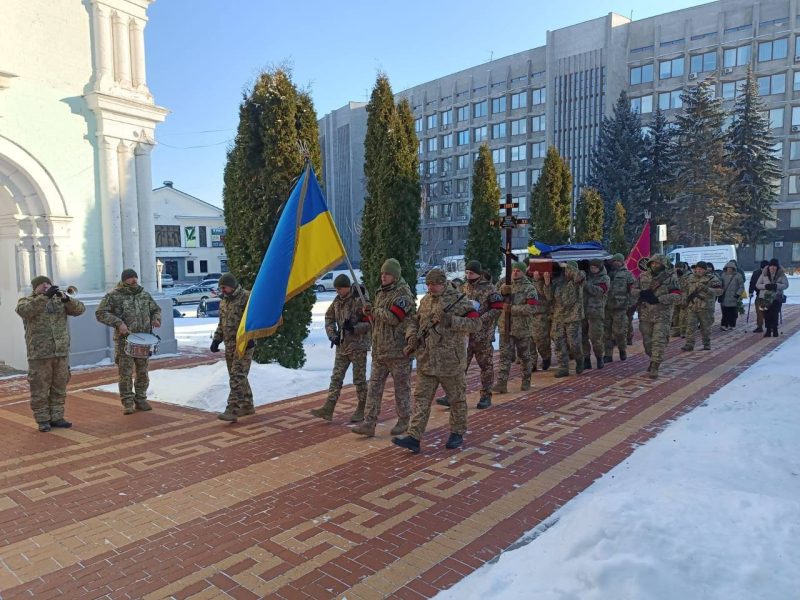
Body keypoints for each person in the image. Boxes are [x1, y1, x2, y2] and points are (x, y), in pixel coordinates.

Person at [392, 268, 482, 454]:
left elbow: (476, 324)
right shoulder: (426, 300)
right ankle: (414, 436)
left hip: (450, 362)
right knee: (421, 399)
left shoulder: (459, 300)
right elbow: (415, 322)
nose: (430, 287)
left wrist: (451, 320)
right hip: (427, 360)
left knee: (456, 399)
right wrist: (411, 336)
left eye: (434, 284)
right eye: (428, 284)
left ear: (443, 283)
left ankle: (457, 432)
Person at [352, 258, 415, 437]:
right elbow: (379, 319)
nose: (383, 277)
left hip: (398, 352)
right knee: (374, 388)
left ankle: (404, 420)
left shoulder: (403, 293)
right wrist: (369, 313)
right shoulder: (381, 292)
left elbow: (394, 318)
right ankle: (369, 423)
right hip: (380, 351)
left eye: (387, 274)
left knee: (401, 389)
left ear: (395, 275)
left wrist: (374, 310)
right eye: (382, 274)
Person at [15, 276, 86, 431]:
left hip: (60, 352)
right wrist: (45, 297)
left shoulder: (59, 300)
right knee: (39, 389)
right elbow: (25, 312)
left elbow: (80, 310)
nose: (46, 286)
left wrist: (66, 299)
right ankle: (43, 420)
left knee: (59, 388)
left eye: (48, 283)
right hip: (40, 354)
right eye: (42, 284)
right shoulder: (26, 301)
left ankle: (57, 417)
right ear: (35, 288)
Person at [437, 260, 502, 410]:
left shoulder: (490, 289)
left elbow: (497, 308)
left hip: (482, 335)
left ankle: (485, 396)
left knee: (486, 366)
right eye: (466, 272)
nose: (468, 275)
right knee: (459, 366)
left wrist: (480, 319)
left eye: (471, 273)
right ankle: (453, 395)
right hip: (465, 336)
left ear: (478, 273)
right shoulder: (463, 288)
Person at [96, 269, 161, 414]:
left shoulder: (144, 294)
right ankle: (127, 402)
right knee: (125, 373)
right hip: (124, 341)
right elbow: (100, 313)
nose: (134, 280)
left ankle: (141, 399)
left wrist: (156, 319)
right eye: (130, 278)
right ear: (124, 280)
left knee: (143, 372)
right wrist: (118, 323)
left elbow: (156, 309)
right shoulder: (114, 295)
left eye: (135, 277)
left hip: (144, 340)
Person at [310, 274, 371, 422]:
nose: (337, 291)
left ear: (347, 287)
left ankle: (362, 407)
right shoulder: (337, 301)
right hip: (342, 346)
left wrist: (354, 328)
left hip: (358, 346)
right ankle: (328, 408)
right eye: (336, 289)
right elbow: (329, 317)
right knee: (336, 378)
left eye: (340, 288)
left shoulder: (359, 300)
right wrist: (332, 335)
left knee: (359, 379)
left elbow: (370, 322)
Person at [210, 273, 255, 422]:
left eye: (224, 287)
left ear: (232, 285)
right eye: (220, 288)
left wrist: (250, 337)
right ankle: (247, 406)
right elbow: (221, 323)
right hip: (229, 346)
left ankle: (232, 409)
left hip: (244, 345)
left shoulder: (246, 297)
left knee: (237, 377)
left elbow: (254, 319)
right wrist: (217, 339)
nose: (222, 290)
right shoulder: (224, 301)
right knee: (237, 376)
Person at [494, 262, 538, 393]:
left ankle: (526, 380)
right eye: (514, 270)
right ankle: (501, 383)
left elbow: (532, 308)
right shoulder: (505, 284)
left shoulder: (529, 288)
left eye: (518, 270)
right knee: (504, 356)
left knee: (524, 356)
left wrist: (512, 309)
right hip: (506, 328)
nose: (515, 272)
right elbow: (494, 299)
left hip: (522, 328)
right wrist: (501, 292)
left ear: (523, 272)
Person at [636, 255, 681, 379]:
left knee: (658, 341)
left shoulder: (670, 277)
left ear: (663, 265)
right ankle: (652, 358)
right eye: (653, 263)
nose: (655, 265)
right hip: (646, 314)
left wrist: (659, 299)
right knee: (647, 343)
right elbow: (633, 289)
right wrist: (641, 293)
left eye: (657, 263)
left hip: (663, 314)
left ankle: (655, 365)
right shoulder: (643, 276)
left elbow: (677, 295)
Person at [548, 261, 585, 378]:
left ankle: (579, 359)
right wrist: (547, 282)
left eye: (569, 270)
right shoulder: (558, 281)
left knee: (574, 344)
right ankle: (563, 367)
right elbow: (549, 296)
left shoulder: (578, 281)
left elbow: (579, 276)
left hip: (573, 317)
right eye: (565, 270)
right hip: (558, 317)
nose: (566, 272)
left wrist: (567, 265)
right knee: (558, 343)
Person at [681, 262, 723, 351]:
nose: (699, 271)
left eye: (701, 269)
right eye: (697, 269)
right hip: (692, 306)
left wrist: (707, 289)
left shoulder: (712, 278)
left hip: (706, 307)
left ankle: (706, 344)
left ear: (705, 270)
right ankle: (689, 344)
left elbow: (719, 291)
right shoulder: (690, 278)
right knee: (690, 326)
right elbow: (685, 290)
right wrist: (684, 300)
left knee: (705, 327)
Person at [603, 254, 635, 362]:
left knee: (619, 332)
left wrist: (630, 305)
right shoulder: (607, 273)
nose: (615, 263)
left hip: (620, 308)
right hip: (607, 307)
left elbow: (633, 292)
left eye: (617, 261)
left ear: (622, 262)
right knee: (606, 333)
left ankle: (622, 349)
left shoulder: (627, 275)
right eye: (614, 261)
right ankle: (608, 354)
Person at [581, 259, 610, 369]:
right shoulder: (587, 277)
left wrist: (585, 284)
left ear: (600, 268)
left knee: (595, 337)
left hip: (596, 312)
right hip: (584, 311)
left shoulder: (605, 278)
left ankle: (599, 357)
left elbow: (598, 291)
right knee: (582, 337)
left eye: (595, 267)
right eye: (591, 267)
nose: (593, 269)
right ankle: (586, 359)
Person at [756, 258, 789, 338]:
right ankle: (768, 330)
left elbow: (786, 285)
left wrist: (777, 286)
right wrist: (765, 286)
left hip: (777, 297)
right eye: (771, 266)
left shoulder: (781, 274)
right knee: (766, 314)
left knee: (775, 313)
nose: (773, 268)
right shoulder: (764, 274)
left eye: (774, 266)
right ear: (769, 266)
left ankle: (775, 329)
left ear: (777, 267)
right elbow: (757, 285)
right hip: (765, 298)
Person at [528, 264, 553, 371]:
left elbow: (548, 296)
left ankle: (546, 357)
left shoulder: (546, 282)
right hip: (528, 314)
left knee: (541, 340)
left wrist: (539, 281)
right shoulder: (527, 280)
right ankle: (532, 363)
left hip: (541, 314)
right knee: (529, 341)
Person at [719, 261, 745, 330]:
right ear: (726, 268)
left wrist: (738, 294)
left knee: (733, 312)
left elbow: (741, 286)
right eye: (728, 268)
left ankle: (732, 325)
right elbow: (720, 285)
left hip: (734, 297)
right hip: (725, 297)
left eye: (731, 268)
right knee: (725, 312)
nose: (729, 270)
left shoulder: (738, 276)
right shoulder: (723, 275)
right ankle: (724, 325)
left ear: (734, 269)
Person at [749, 260, 769, 333]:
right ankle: (760, 326)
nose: (764, 270)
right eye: (763, 268)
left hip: (768, 296)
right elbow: (752, 283)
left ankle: (769, 325)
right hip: (759, 295)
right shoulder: (756, 273)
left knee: (767, 311)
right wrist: (751, 292)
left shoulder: (771, 273)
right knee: (759, 311)